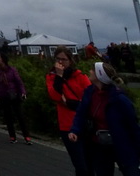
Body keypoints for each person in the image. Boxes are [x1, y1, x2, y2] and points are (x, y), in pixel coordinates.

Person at [68, 61, 140, 176]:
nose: (90, 71)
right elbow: (81, 113)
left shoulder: (119, 99)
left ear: (99, 76)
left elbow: (133, 126)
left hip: (120, 143)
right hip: (99, 145)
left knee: (131, 172)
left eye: (93, 70)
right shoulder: (89, 92)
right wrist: (75, 130)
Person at [46, 45, 92, 176]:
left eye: (64, 59)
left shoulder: (79, 76)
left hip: (84, 122)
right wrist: (59, 77)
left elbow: (89, 95)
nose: (60, 62)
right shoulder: (51, 77)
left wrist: (73, 103)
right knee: (80, 164)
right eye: (58, 59)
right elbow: (55, 96)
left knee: (89, 162)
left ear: (70, 60)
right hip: (67, 125)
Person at [0, 52, 31, 144]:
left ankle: (27, 136)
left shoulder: (11, 70)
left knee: (20, 115)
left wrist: (23, 92)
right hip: (3, 95)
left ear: (3, 59)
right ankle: (12, 136)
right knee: (8, 116)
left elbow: (18, 82)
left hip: (14, 94)